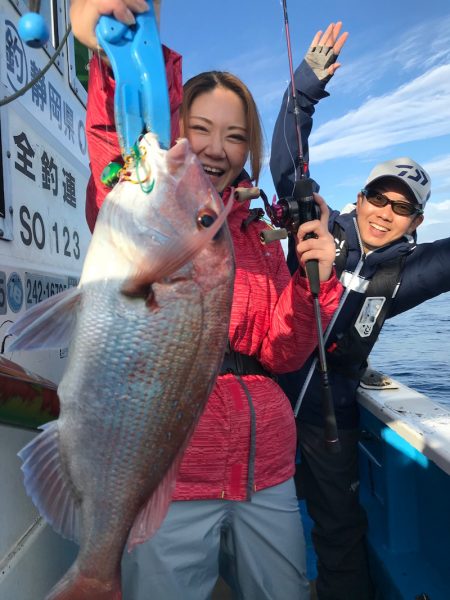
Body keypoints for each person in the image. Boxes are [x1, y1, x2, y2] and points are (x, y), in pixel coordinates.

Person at [70, 3, 344, 598]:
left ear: (250, 151)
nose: (217, 149)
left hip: (267, 469)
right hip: (173, 470)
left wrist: (313, 281)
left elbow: (285, 348)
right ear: (175, 129)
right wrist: (118, 51)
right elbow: (117, 141)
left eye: (236, 135)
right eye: (200, 129)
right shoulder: (142, 195)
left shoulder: (261, 232)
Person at [270, 29, 450, 600]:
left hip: (335, 419)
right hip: (269, 394)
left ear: (416, 224)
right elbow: (285, 153)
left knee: (340, 529)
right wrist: (305, 87)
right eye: (380, 197)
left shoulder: (408, 273)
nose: (386, 213)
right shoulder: (318, 222)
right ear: (362, 196)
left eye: (403, 209)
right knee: (249, 506)